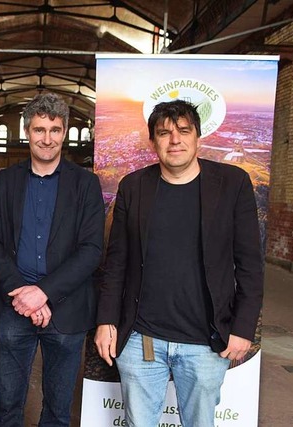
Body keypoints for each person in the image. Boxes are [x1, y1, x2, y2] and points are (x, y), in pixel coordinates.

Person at [94, 99, 264, 427]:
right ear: (152, 141)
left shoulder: (232, 184)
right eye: (165, 133)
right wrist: (106, 321)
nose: (175, 140)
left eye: (184, 131)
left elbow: (250, 265)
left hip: (206, 341)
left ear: (198, 138)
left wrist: (242, 328)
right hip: (143, 338)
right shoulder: (133, 187)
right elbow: (116, 262)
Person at [0, 92, 105, 426]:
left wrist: (43, 292)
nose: (46, 138)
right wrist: (22, 291)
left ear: (64, 133)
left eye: (54, 130)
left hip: (66, 311)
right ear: (27, 132)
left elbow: (91, 250)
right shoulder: (5, 182)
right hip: (13, 309)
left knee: (58, 409)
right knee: (6, 405)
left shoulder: (85, 184)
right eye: (39, 130)